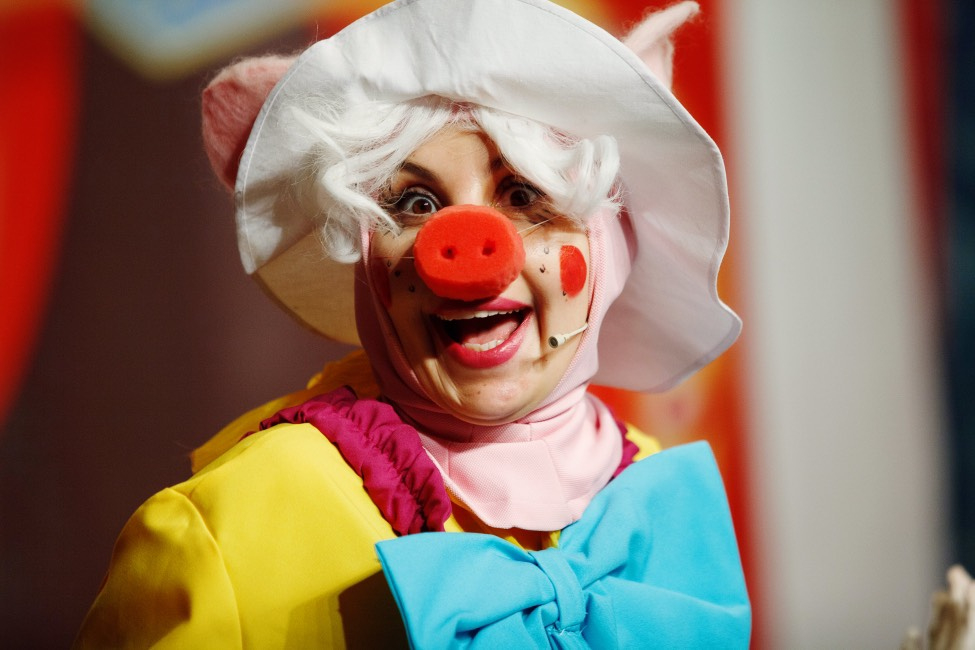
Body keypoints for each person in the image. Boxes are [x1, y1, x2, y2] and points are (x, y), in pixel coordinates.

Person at [75, 0, 751, 646]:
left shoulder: (657, 498)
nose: (465, 251)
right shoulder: (225, 526)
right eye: (415, 203)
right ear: (367, 256)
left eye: (524, 193)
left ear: (611, 243)